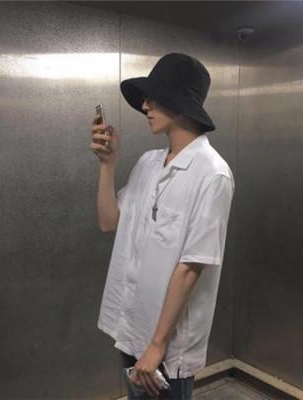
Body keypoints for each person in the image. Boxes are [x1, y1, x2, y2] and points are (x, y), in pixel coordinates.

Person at [90, 53, 235, 399]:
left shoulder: (212, 175)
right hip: (131, 326)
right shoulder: (148, 163)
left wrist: (156, 346)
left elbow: (190, 267)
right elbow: (109, 222)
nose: (145, 106)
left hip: (167, 346)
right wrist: (107, 164)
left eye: (154, 97)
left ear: (182, 103)